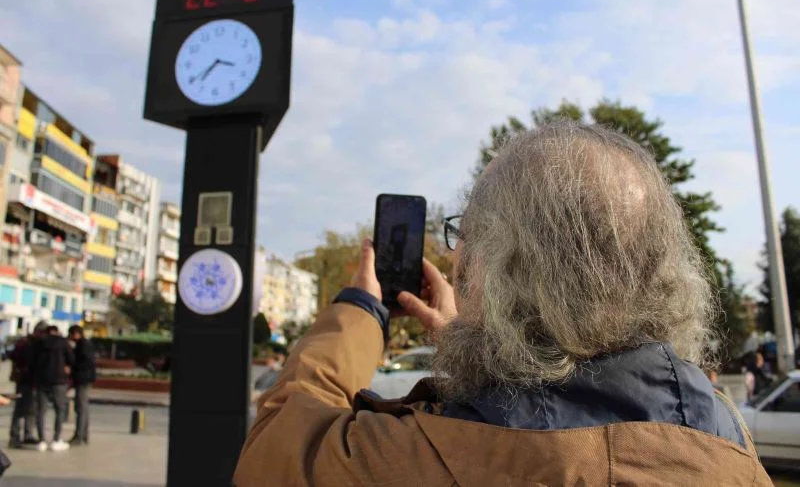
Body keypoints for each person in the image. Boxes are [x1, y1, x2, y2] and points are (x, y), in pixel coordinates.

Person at [234, 122, 770, 486]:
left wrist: (359, 307)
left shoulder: (421, 458)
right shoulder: (726, 440)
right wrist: (480, 344)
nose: (457, 259)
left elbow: (277, 449)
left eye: (466, 233)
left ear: (503, 264)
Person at [32, 325, 74, 452]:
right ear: (57, 331)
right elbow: (71, 359)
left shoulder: (39, 343)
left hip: (42, 380)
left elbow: (32, 360)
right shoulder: (63, 343)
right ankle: (56, 439)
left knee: (41, 411)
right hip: (59, 380)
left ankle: (41, 440)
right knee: (60, 410)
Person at [7, 321, 47, 448]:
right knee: (20, 409)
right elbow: (13, 355)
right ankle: (15, 436)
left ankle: (28, 434)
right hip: (24, 380)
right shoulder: (25, 343)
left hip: (33, 381)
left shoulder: (38, 344)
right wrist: (23, 366)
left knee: (31, 409)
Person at [67, 325, 96, 445]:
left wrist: (73, 369)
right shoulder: (84, 345)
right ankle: (83, 435)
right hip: (84, 379)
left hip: (83, 379)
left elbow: (84, 362)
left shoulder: (83, 346)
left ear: (76, 334)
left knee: (81, 408)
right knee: (83, 407)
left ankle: (79, 435)